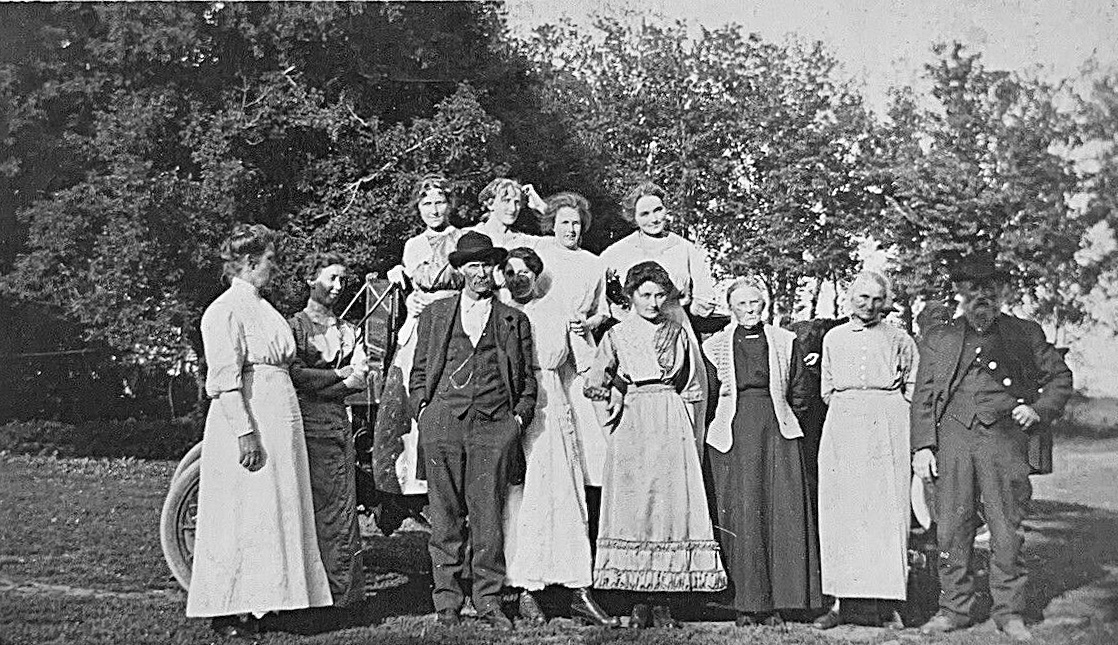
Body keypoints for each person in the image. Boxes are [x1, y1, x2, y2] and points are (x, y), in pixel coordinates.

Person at [911, 253, 1072, 641]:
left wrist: (1037, 410)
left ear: (1000, 291)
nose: (981, 294)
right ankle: (954, 608)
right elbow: (924, 396)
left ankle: (1009, 612)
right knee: (951, 528)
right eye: (973, 287)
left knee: (1006, 527)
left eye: (989, 287)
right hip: (953, 439)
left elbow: (1060, 378)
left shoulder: (1024, 333)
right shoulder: (940, 337)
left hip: (1004, 440)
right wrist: (923, 447)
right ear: (959, 291)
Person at [187, 224, 332, 636]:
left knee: (274, 508)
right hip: (250, 415)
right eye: (270, 260)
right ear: (250, 263)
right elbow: (225, 378)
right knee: (241, 511)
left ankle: (269, 601)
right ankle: (227, 610)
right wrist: (244, 431)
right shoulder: (224, 310)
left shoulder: (263, 307)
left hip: (279, 414)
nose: (275, 267)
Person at [584, 261, 727, 629]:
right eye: (645, 294)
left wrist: (689, 433)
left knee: (669, 504)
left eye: (660, 295)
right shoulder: (616, 335)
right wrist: (609, 422)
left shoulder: (678, 333)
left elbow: (692, 387)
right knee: (636, 507)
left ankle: (664, 602)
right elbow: (596, 383)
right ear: (631, 295)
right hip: (632, 418)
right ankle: (637, 601)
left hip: (670, 416)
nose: (653, 302)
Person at [409, 231, 538, 631]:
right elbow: (418, 370)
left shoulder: (514, 319)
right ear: (460, 270)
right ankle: (447, 600)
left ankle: (488, 600)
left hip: (494, 424)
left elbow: (527, 380)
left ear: (495, 269)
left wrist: (517, 420)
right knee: (444, 516)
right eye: (473, 265)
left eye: (487, 265)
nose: (481, 273)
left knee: (488, 517)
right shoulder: (436, 314)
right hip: (443, 422)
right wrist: (424, 411)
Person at [499, 247, 619, 627]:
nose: (518, 279)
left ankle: (578, 589)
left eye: (525, 272)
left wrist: (609, 395)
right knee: (521, 498)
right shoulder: (499, 313)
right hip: (511, 406)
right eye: (510, 273)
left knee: (565, 495)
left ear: (537, 275)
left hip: (552, 405)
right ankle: (525, 588)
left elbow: (587, 365)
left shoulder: (558, 310)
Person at [703, 278, 822, 626]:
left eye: (754, 302)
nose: (749, 310)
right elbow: (709, 393)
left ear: (764, 304)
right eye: (741, 304)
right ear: (731, 307)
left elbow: (800, 390)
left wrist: (784, 419)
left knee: (781, 513)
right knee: (742, 515)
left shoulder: (785, 341)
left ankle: (782, 602)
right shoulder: (715, 345)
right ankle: (745, 603)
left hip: (777, 433)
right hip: (733, 434)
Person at [814, 271, 917, 630]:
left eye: (876, 299)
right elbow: (827, 389)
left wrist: (889, 414)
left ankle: (888, 605)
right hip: (843, 424)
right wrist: (851, 410)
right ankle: (839, 603)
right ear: (850, 298)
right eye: (863, 298)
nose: (869, 306)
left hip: (887, 423)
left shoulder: (900, 338)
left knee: (885, 512)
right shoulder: (833, 338)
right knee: (842, 512)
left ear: (885, 302)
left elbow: (912, 386)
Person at [599, 181, 716, 448]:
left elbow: (706, 298)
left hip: (676, 326)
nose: (653, 219)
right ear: (634, 217)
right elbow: (597, 288)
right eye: (644, 213)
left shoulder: (685, 248)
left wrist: (686, 304)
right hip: (635, 333)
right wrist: (619, 311)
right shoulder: (619, 251)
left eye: (658, 210)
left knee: (688, 405)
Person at [376, 175, 463, 511]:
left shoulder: (461, 238)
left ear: (450, 204)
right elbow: (413, 285)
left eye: (440, 202)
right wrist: (404, 286)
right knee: (413, 389)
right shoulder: (412, 245)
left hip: (453, 320)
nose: (434, 210)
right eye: (427, 203)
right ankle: (415, 481)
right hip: (419, 322)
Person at [288, 253, 368, 608]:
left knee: (338, 512)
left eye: (342, 280)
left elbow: (360, 378)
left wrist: (325, 384)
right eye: (331, 278)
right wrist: (338, 375)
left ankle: (340, 597)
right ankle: (307, 596)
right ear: (311, 280)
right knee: (306, 510)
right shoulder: (294, 327)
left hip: (336, 426)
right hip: (302, 426)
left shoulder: (350, 330)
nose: (338, 286)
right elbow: (295, 375)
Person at [533, 192, 610, 535]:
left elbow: (602, 311)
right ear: (552, 224)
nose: (571, 229)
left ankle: (586, 525)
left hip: (580, 351)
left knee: (588, 434)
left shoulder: (594, 263)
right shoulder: (541, 254)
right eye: (564, 222)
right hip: (545, 350)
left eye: (576, 223)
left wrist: (589, 323)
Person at [470, 177, 547, 250]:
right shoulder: (468, 235)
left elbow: (554, 242)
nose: (513, 208)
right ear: (490, 204)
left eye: (517, 202)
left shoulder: (526, 242)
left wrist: (539, 206)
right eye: (506, 200)